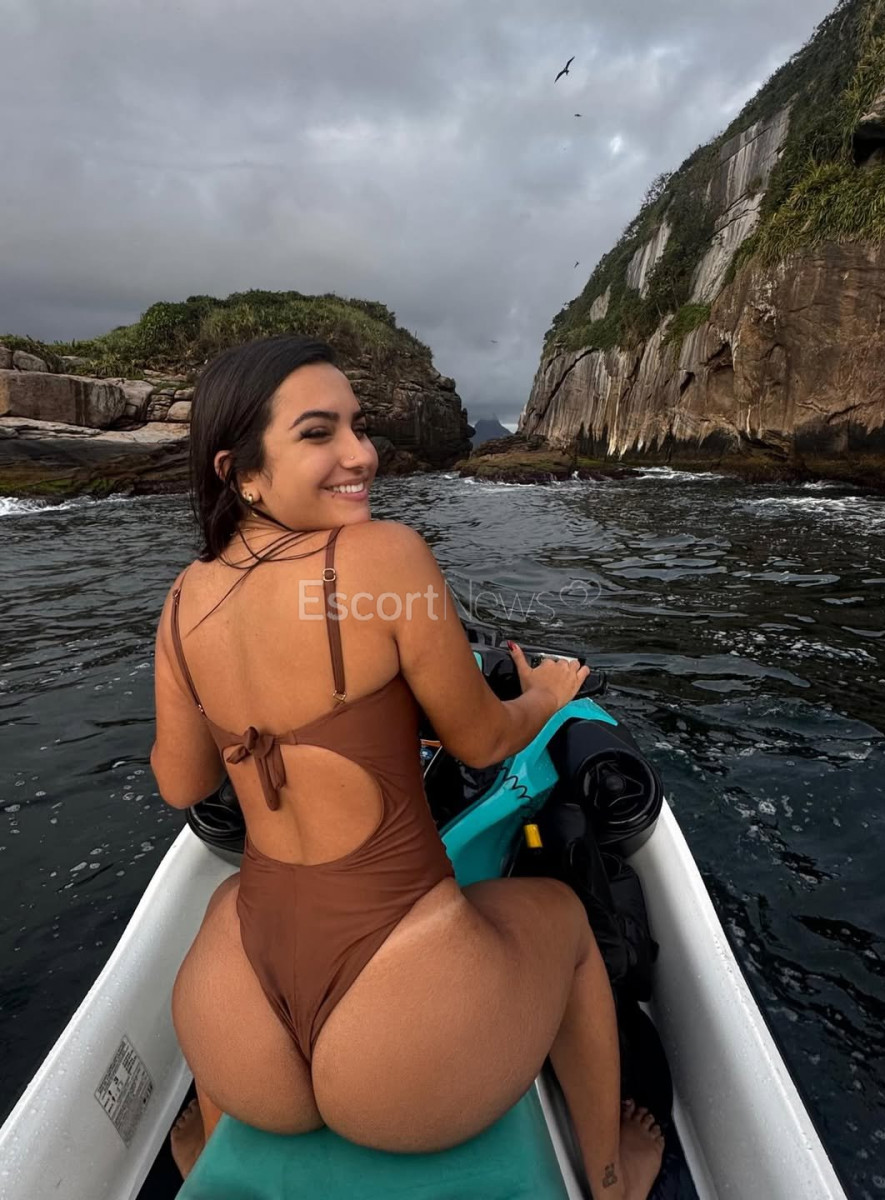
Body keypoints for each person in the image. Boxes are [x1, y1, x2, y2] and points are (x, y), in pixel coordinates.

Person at [150, 334, 664, 1198]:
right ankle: (612, 1176)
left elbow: (182, 784)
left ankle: (207, 1143)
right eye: (320, 433)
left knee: (227, 899)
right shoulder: (383, 554)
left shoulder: (181, 598)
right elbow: (482, 742)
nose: (362, 455)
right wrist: (544, 696)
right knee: (566, 920)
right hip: (401, 1053)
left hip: (241, 1047)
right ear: (241, 472)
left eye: (359, 426)